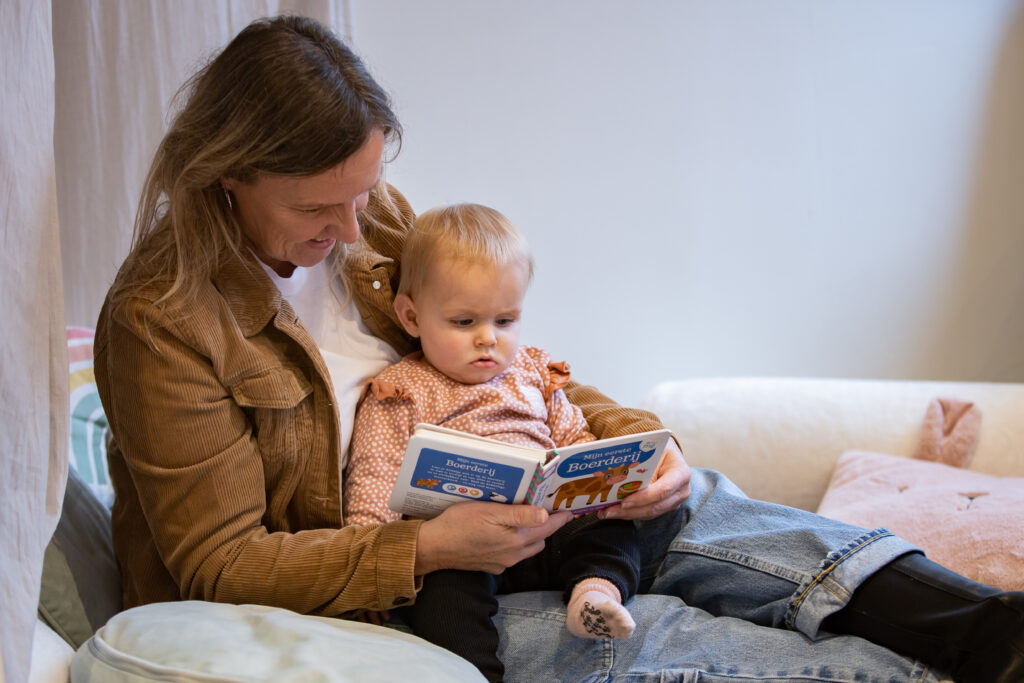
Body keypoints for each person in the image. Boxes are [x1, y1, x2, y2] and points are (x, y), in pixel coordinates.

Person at [92, 14, 1024, 683]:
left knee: (699, 501)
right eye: (314, 207)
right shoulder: (161, 320)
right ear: (226, 174)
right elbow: (221, 562)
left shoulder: (371, 221)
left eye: (364, 190)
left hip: (513, 509)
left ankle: (992, 627)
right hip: (398, 587)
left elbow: (499, 355)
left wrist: (638, 441)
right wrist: (420, 551)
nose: (352, 225)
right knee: (648, 630)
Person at [345, 203, 644, 680]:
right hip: (461, 552)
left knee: (613, 531)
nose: (488, 339)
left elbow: (574, 436)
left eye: (504, 321)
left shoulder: (531, 372)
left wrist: (600, 477)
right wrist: (369, 573)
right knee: (441, 601)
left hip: (545, 530)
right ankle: (477, 672)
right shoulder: (400, 391)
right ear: (411, 316)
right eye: (464, 322)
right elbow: (375, 479)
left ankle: (595, 593)